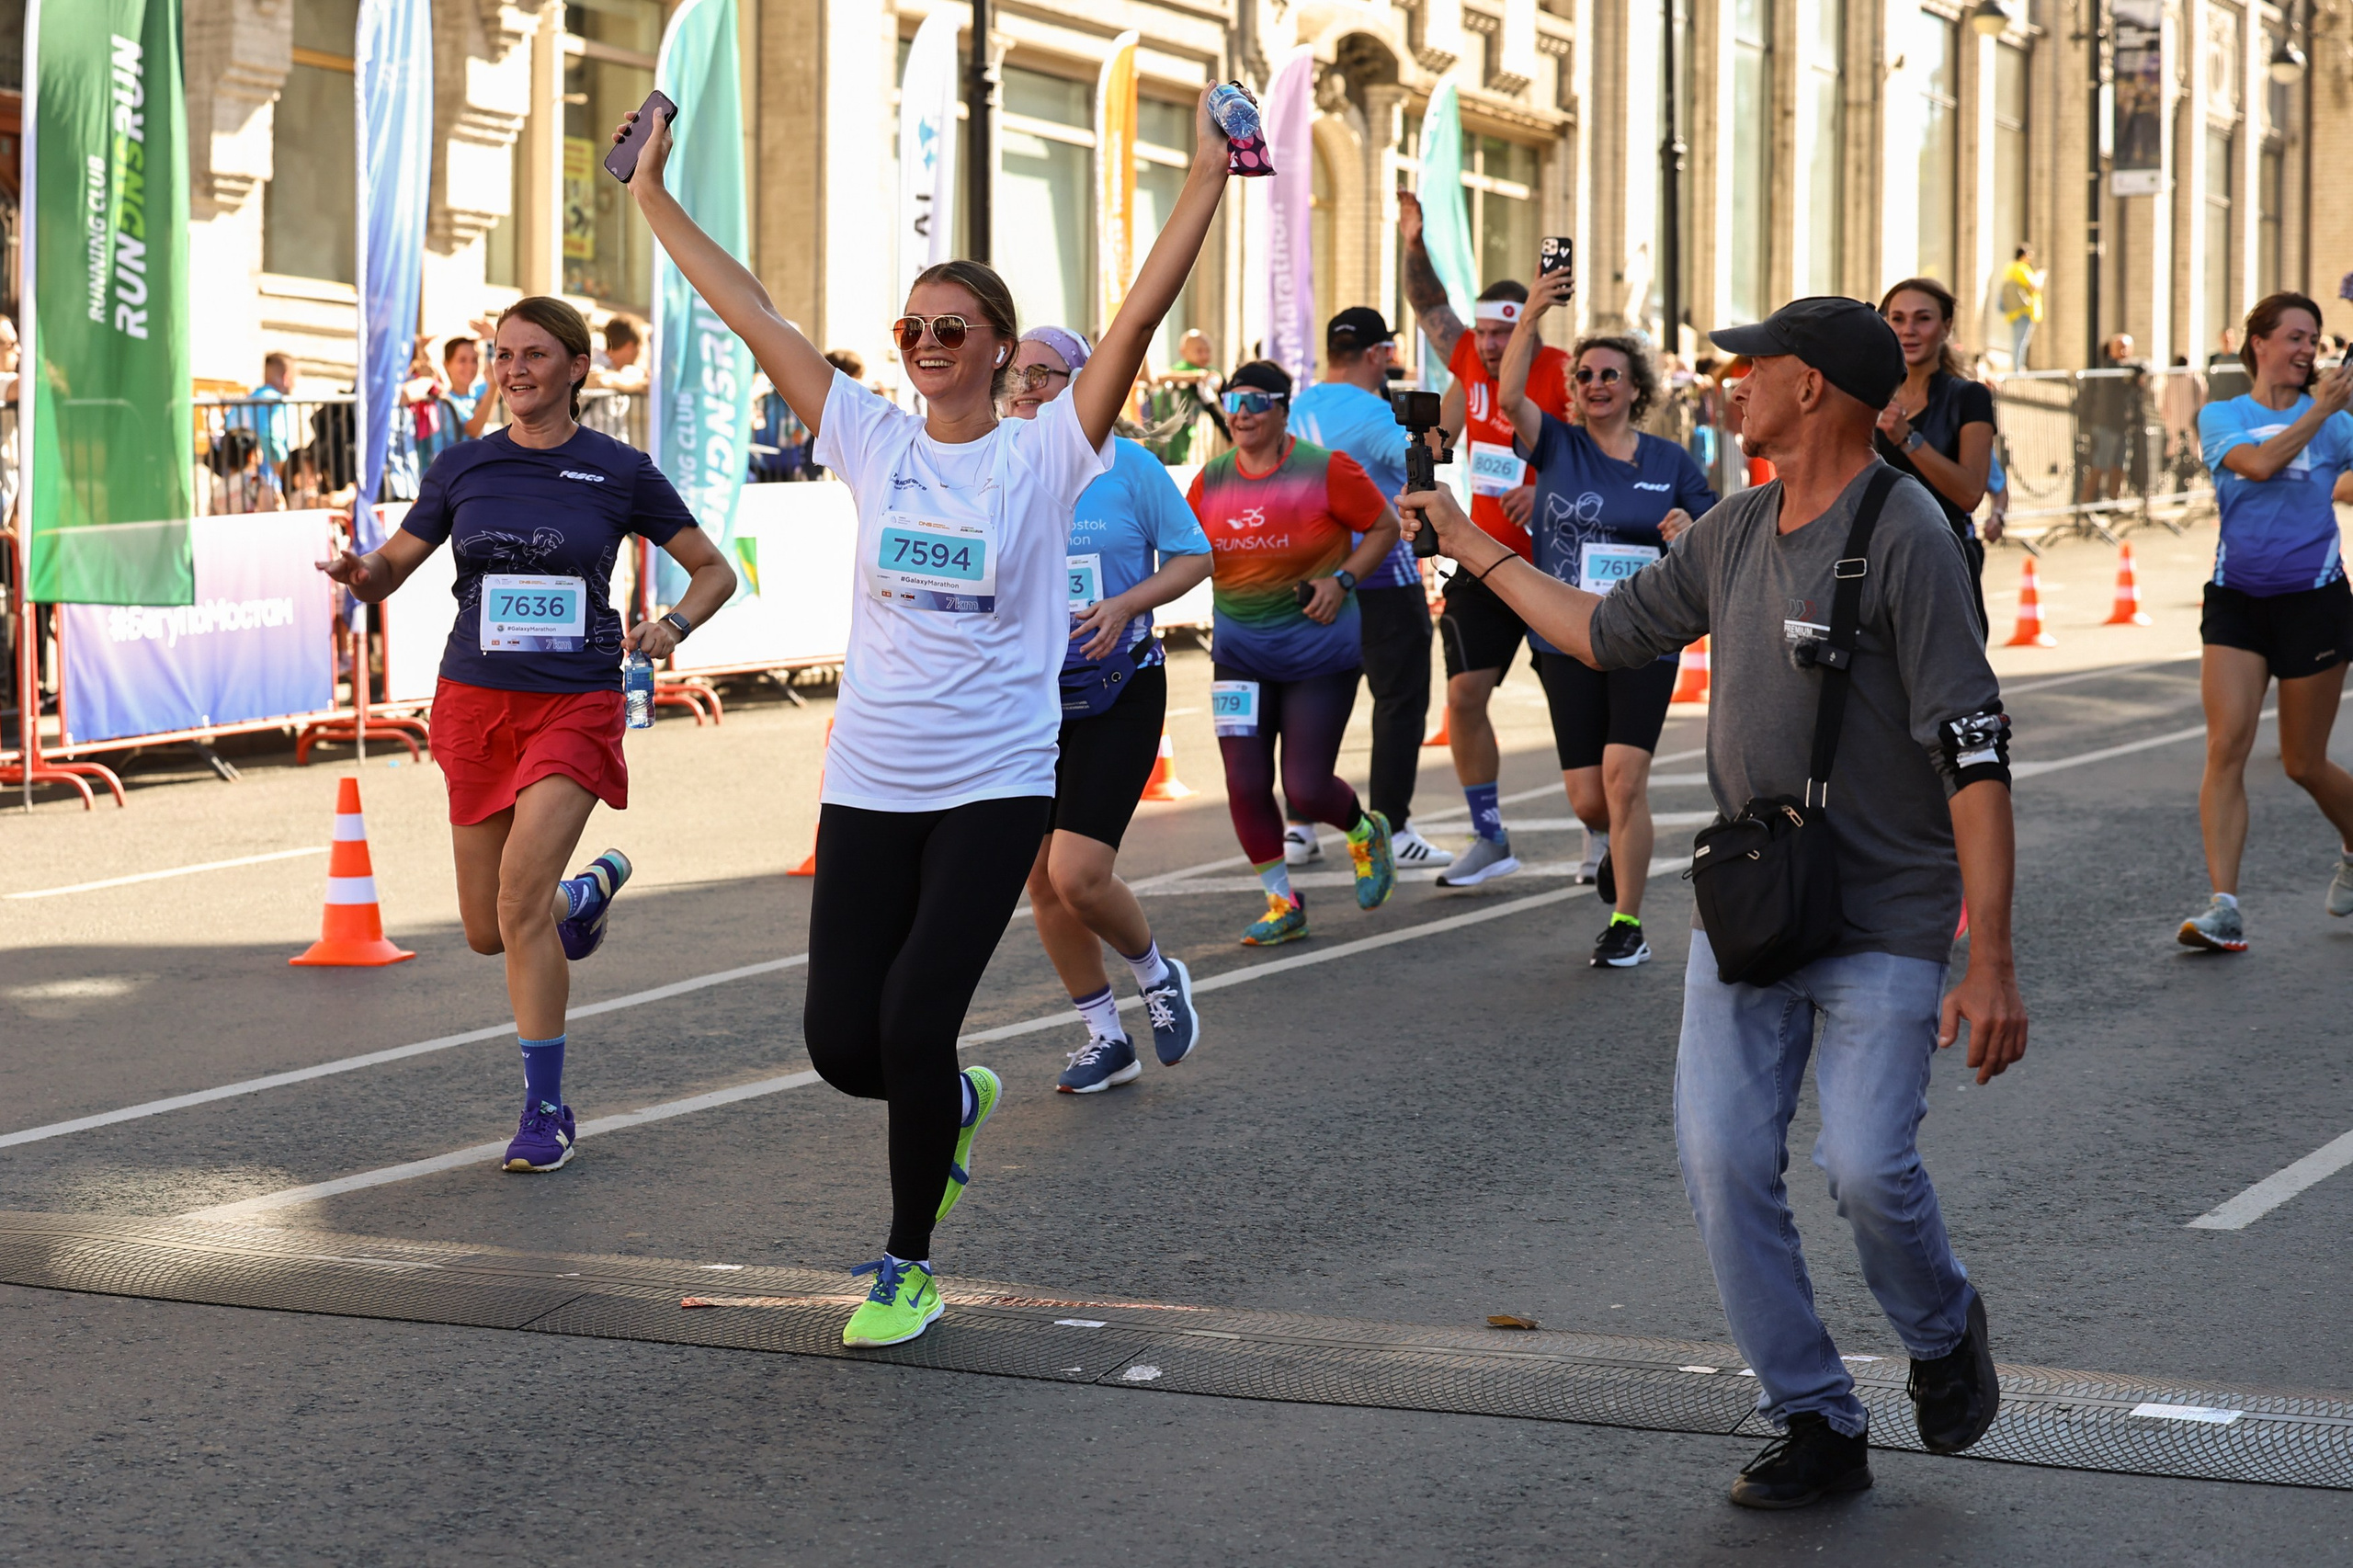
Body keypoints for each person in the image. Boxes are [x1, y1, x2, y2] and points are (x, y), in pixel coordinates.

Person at [1396, 295, 2026, 1509]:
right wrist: (1473, 549)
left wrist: (1988, 959)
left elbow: (1976, 752)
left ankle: (1943, 1328)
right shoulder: (1733, 530)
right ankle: (1816, 1417)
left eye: (1756, 365)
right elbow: (1596, 632)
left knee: (1864, 1165)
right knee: (1723, 1154)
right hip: (1755, 899)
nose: (1730, 382)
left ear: (1815, 390)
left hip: (1888, 911)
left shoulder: (1909, 534)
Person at [621, 93, 1228, 1348]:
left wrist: (1214, 172)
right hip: (871, 778)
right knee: (844, 1044)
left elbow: (1137, 316)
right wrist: (647, 194)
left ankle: (907, 1262)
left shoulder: (1047, 454)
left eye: (955, 326)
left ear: (1002, 347)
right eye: (913, 326)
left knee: (910, 1016)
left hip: (998, 778)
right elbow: (751, 315)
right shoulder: (869, 435)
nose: (929, 341)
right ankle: (954, 1100)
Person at [318, 295, 738, 1176]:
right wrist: (362, 574)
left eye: (535, 354)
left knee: (515, 902)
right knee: (489, 927)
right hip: (474, 701)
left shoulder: (618, 470)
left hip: (575, 703)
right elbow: (392, 567)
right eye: (504, 354)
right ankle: (578, 901)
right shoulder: (462, 466)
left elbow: (714, 569)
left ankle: (545, 1111)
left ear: (577, 368)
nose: (514, 369)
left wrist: (671, 628)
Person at [1006, 324, 1213, 1093]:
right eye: (1016, 375)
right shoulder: (1000, 466)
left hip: (1120, 689)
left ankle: (1158, 975)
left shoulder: (1132, 468)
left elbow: (1195, 555)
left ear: (1088, 382)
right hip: (1028, 701)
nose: (1025, 388)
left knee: (1079, 873)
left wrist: (1127, 603)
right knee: (1039, 880)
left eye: (1045, 374)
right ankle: (1103, 1036)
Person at [1497, 267, 1716, 967]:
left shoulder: (1669, 460)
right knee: (1589, 797)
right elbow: (1507, 396)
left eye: (1610, 375)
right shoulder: (1558, 446)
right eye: (1586, 374)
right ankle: (1611, 848)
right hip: (1567, 638)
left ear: (1635, 390)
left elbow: (1714, 530)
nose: (1596, 384)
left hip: (1646, 635)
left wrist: (1689, 526)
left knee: (1625, 779)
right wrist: (1533, 313)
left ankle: (1628, 921)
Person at [1397, 187, 1577, 885]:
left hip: (1556, 567)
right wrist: (1414, 244)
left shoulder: (1565, 373)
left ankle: (1596, 828)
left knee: (1574, 704)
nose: (1491, 345)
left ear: (1527, 327)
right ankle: (1490, 835)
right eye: (1485, 333)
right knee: (1465, 696)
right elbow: (1428, 309)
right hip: (1484, 557)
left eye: (1504, 333)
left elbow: (1600, 454)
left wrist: (1548, 485)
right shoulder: (1469, 358)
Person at [1189, 360, 1404, 945]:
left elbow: (1384, 527)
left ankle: (1364, 830)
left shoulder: (1326, 469)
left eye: (1256, 402)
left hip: (1318, 653)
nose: (1241, 414)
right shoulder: (1210, 480)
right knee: (1245, 784)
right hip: (1238, 655)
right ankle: (1283, 902)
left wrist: (1343, 581)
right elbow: (1185, 550)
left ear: (1284, 409)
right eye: (1233, 401)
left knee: (1306, 789)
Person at [2179, 291, 2353, 950]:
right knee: (2226, 748)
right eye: (2295, 337)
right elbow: (2256, 465)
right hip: (2237, 601)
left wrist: (2336, 419)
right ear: (2260, 343)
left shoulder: (2337, 424)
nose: (2307, 350)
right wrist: (2326, 412)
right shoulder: (2223, 415)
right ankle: (2223, 906)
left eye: (2314, 339)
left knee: (2304, 763)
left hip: (2315, 602)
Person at [1285, 306, 1453, 870]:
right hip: (1380, 577)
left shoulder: (1298, 408)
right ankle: (1394, 827)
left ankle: (1300, 825)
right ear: (1379, 354)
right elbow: (1423, 463)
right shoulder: (1374, 414)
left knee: (1313, 700)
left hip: (1311, 579)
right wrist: (1433, 434)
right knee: (1400, 702)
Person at [1876, 278, 1996, 634]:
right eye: (1897, 319)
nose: (1908, 330)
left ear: (1946, 326)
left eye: (1922, 319)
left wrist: (1907, 438)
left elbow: (1970, 493)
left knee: (1948, 685)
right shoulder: (1869, 397)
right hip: (1878, 562)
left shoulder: (1969, 397)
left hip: (1945, 560)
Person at [2078, 333, 2147, 505]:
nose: (2123, 351)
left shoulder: (2130, 370)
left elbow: (2143, 366)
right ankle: (2085, 503)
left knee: (2119, 466)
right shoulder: (2109, 369)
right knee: (2100, 465)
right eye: (2119, 347)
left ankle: (2114, 503)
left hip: (2123, 426)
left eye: (2126, 347)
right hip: (2107, 425)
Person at [1997, 245, 2043, 371]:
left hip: (2013, 311)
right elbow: (2034, 286)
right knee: (2021, 341)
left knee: (2017, 340)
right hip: (2024, 310)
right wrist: (2041, 276)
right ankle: (2018, 369)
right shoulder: (2021, 268)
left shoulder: (2010, 268)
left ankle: (2017, 367)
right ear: (2024, 255)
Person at [591, 315, 648, 392]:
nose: (641, 351)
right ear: (629, 346)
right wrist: (638, 386)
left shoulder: (624, 371)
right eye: (640, 345)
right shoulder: (594, 362)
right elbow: (596, 378)